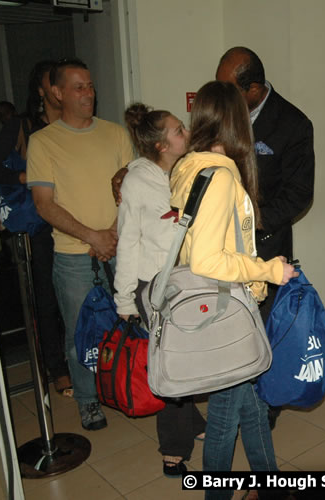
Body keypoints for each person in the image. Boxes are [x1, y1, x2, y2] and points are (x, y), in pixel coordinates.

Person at [169, 80, 297, 500]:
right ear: (236, 121)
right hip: (227, 309)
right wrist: (269, 270)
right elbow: (209, 258)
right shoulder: (221, 178)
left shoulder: (188, 166)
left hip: (217, 306)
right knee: (226, 416)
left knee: (253, 406)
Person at [27, 58, 134, 431]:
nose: (87, 93)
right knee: (81, 336)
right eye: (78, 87)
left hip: (120, 251)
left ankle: (126, 386)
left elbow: (132, 192)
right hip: (74, 258)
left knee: (128, 324)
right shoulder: (43, 142)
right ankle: (88, 400)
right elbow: (44, 204)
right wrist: (93, 237)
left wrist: (112, 235)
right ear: (57, 93)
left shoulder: (116, 134)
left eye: (89, 85)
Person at [215, 46, 315, 429]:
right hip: (220, 248)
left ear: (253, 89)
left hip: (265, 247)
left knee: (262, 330)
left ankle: (264, 405)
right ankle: (231, 396)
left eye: (229, 89)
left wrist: (250, 220)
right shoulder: (222, 114)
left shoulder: (292, 124)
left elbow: (299, 194)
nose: (221, 96)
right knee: (227, 328)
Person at [114, 103, 206, 478]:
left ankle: (192, 422)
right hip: (151, 287)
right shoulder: (137, 182)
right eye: (178, 130)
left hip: (181, 282)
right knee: (171, 366)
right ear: (160, 146)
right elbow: (127, 241)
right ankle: (173, 454)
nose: (186, 133)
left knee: (184, 359)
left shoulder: (184, 172)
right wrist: (123, 300)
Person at [0, 60, 71, 397]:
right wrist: (26, 177)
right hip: (40, 225)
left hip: (76, 221)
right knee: (46, 298)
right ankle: (57, 368)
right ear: (41, 90)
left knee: (78, 295)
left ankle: (84, 359)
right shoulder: (23, 126)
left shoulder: (79, 125)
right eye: (55, 82)